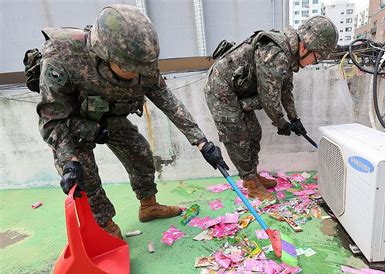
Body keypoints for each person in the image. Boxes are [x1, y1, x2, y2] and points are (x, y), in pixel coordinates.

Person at [32, 4, 228, 239]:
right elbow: (52, 120)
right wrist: (69, 161)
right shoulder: (63, 56)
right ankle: (105, 227)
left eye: (140, 69)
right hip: (72, 123)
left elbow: (168, 101)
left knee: (141, 155)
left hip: (110, 115)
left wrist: (202, 142)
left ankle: (149, 206)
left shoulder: (140, 61)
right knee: (84, 176)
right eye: (128, 69)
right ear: (104, 54)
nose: (136, 75)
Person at [204, 16, 338, 201]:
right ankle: (250, 183)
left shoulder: (289, 55)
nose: (312, 64)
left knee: (254, 132)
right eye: (316, 59)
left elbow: (285, 90)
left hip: (238, 90)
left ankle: (253, 174)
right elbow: (269, 98)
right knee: (239, 137)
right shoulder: (276, 54)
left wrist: (294, 119)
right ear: (304, 47)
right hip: (221, 89)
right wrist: (281, 123)